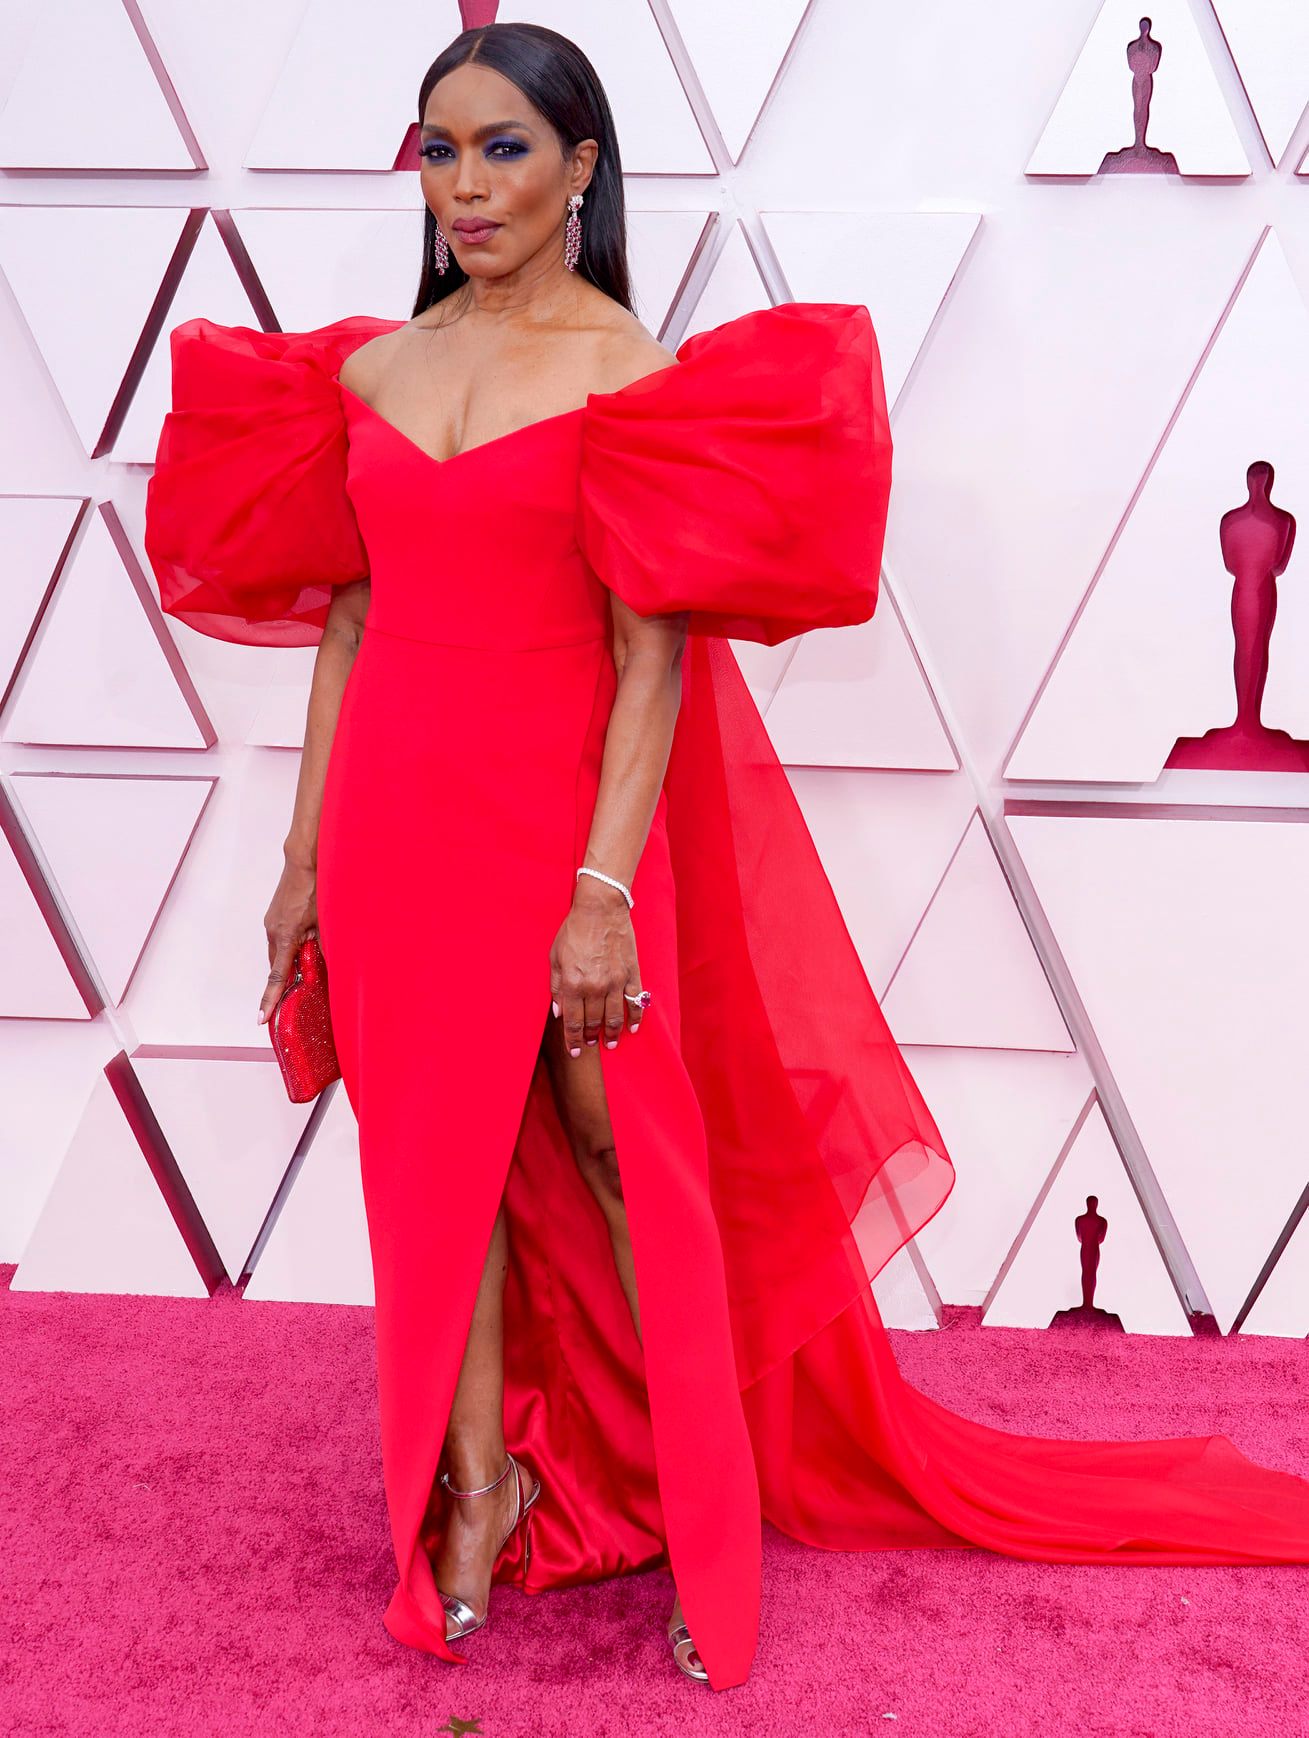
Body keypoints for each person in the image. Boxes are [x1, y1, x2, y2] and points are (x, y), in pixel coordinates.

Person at [143, 20, 1309, 1695]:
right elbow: (347, 625)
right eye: (439, 150)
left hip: (567, 823)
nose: (465, 185)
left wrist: (602, 893)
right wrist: (299, 858)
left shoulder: (632, 375)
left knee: (628, 1158)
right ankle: (475, 1492)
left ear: (580, 169)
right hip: (396, 825)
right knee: (434, 1172)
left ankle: (703, 1518)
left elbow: (652, 662)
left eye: (502, 149)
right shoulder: (374, 373)